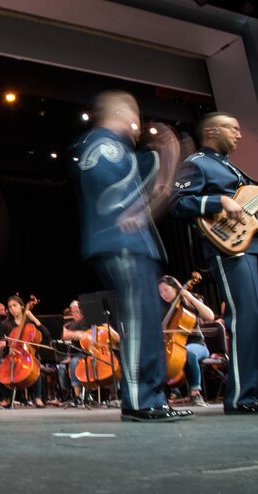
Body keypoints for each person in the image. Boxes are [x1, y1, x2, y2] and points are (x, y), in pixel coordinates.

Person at [69, 90, 191, 422]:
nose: (138, 126)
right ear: (124, 114)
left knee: (148, 321)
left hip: (133, 246)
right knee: (138, 322)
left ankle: (150, 397)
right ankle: (140, 400)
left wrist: (166, 163)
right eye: (134, 114)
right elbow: (115, 189)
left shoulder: (119, 149)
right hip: (121, 243)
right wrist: (165, 159)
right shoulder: (103, 144)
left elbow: (150, 183)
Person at [170, 112, 258, 414]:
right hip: (230, 248)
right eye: (232, 128)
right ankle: (241, 397)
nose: (239, 134)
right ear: (210, 131)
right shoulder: (197, 163)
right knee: (247, 315)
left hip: (253, 244)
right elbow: (178, 203)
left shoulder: (233, 168)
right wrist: (218, 201)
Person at [158, 275, 214, 407]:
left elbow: (210, 316)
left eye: (166, 290)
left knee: (188, 353)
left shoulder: (189, 304)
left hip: (197, 346)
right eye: (160, 292)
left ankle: (195, 394)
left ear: (175, 288)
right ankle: (169, 394)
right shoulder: (165, 310)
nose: (163, 294)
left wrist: (190, 297)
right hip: (175, 346)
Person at [0, 295, 50, 408]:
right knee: (0, 370)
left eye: (15, 305)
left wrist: (33, 318)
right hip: (11, 356)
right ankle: (6, 398)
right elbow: (0, 341)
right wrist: (7, 345)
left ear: (22, 306)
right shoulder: (6, 324)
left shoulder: (30, 323)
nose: (12, 309)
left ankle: (37, 398)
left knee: (35, 367)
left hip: (28, 355)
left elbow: (47, 335)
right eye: (10, 307)